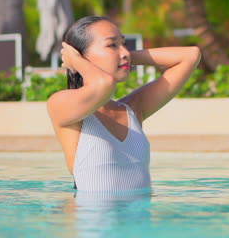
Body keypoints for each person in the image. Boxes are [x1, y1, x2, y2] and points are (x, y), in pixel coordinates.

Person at [47, 16, 201, 192]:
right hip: (88, 218)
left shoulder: (133, 109)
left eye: (124, 44)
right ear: (81, 56)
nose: (125, 51)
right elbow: (103, 85)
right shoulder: (60, 105)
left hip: (139, 219)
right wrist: (78, 62)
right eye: (112, 45)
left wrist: (124, 58)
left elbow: (190, 55)